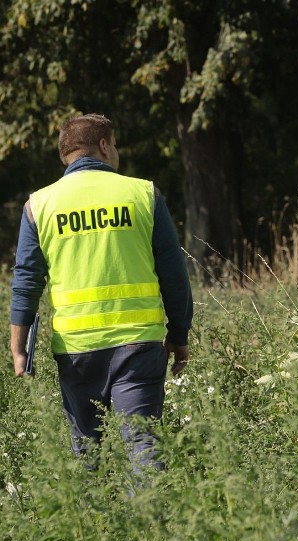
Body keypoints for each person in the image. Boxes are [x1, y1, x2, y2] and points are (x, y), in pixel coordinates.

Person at [9, 113, 193, 471]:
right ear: (104, 145)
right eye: (116, 144)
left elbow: (27, 280)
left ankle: (91, 524)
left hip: (76, 350)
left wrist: (18, 349)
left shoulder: (39, 205)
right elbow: (174, 274)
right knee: (142, 445)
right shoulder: (144, 194)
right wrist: (180, 334)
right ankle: (149, 524)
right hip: (137, 346)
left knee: (87, 455)